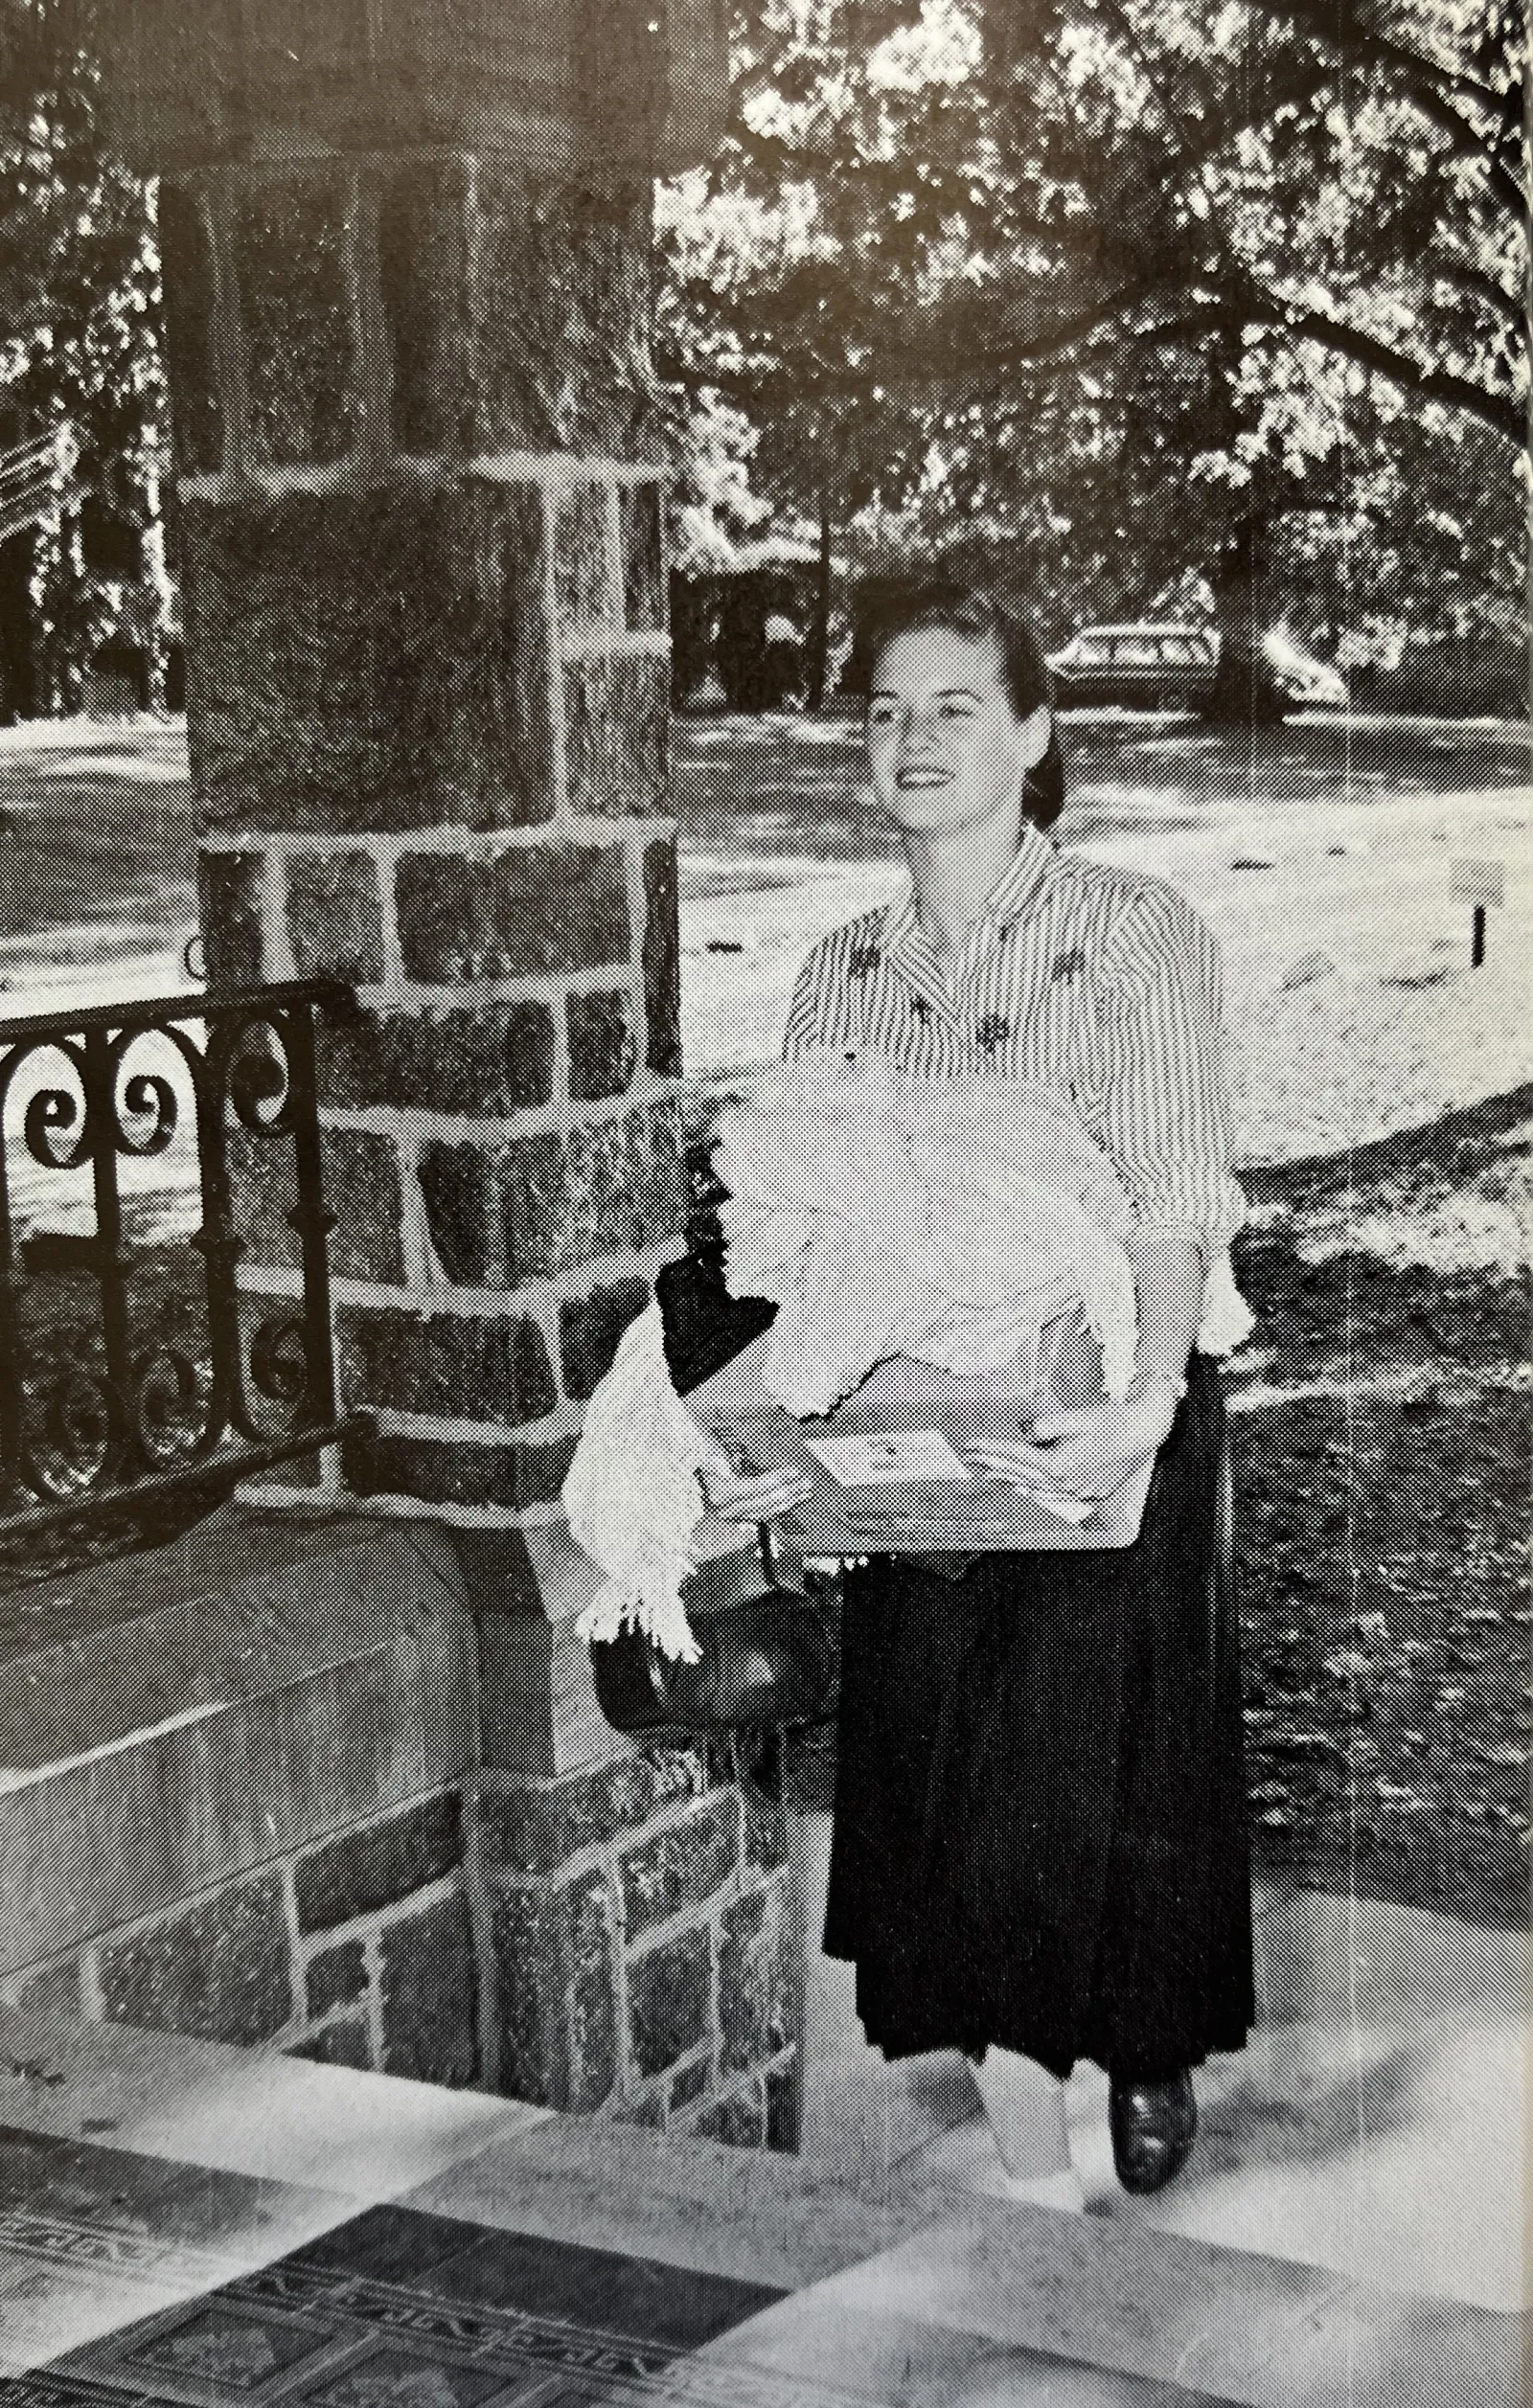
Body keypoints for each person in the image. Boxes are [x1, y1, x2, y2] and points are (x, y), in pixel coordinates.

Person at [690, 568, 1254, 2207]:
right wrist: (783, 1443)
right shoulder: (838, 976)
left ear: (1032, 731)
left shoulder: (1132, 936)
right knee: (969, 1787)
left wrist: (1149, 1390)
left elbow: (1170, 1193)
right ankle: (1035, 2158)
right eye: (885, 712)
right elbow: (798, 1244)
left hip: (1111, 1414)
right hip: (920, 1441)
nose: (913, 740)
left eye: (953, 707)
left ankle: (1133, 2061)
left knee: (1112, 1773)